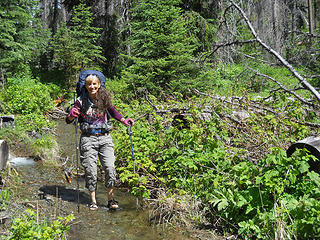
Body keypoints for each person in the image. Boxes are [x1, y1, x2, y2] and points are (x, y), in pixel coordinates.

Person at [66, 74, 134, 210]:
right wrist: (71, 115)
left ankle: (111, 200)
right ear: (85, 86)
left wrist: (124, 121)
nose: (92, 87)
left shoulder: (104, 98)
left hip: (105, 138)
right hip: (88, 138)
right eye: (89, 84)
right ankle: (93, 201)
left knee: (110, 168)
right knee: (91, 171)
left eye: (94, 84)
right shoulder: (80, 101)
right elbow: (68, 120)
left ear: (99, 85)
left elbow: (113, 112)